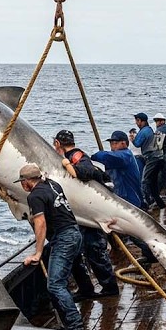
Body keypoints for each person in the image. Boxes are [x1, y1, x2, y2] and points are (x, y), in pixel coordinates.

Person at [18, 163, 85, 330]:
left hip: (64, 239)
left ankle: (76, 326)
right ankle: (84, 297)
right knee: (69, 274)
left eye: (21, 182)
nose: (21, 185)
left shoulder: (34, 196)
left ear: (27, 182)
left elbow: (41, 224)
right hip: (75, 233)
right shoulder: (53, 185)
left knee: (55, 285)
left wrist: (38, 253)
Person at [53, 129, 119, 301]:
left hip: (91, 213)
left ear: (58, 144)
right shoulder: (73, 155)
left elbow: (86, 170)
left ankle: (110, 288)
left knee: (94, 250)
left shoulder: (76, 157)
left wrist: (68, 165)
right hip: (81, 213)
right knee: (78, 254)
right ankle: (86, 289)